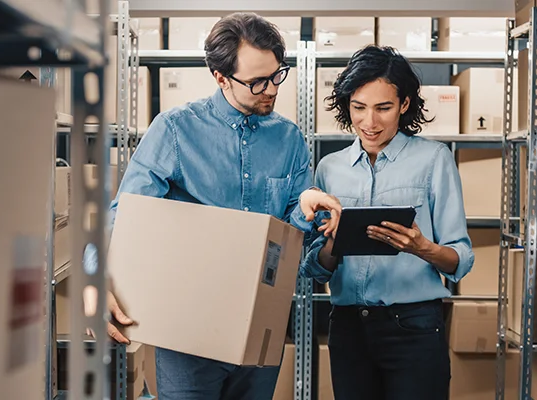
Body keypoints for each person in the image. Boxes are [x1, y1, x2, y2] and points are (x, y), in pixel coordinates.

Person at [84, 12, 342, 400]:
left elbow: (291, 245)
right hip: (189, 332)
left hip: (261, 328)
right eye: (256, 82)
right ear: (221, 78)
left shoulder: (290, 141)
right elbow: (123, 216)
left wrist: (304, 208)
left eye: (277, 75)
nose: (271, 89)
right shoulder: (174, 130)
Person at [300, 45, 475, 400]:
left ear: (405, 104)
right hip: (348, 328)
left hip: (414, 326)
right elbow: (316, 270)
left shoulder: (434, 159)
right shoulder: (329, 169)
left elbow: (461, 259)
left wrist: (422, 248)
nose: (370, 122)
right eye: (359, 108)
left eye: (383, 108)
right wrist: (334, 241)